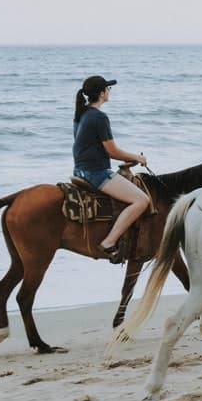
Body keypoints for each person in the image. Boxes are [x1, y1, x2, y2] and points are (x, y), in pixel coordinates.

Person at [72, 75, 150, 264]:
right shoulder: (99, 117)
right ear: (101, 93)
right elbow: (112, 151)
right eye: (108, 89)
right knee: (142, 200)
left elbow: (90, 148)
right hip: (96, 172)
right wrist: (137, 157)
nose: (109, 92)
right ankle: (109, 241)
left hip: (80, 170)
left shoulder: (82, 114)